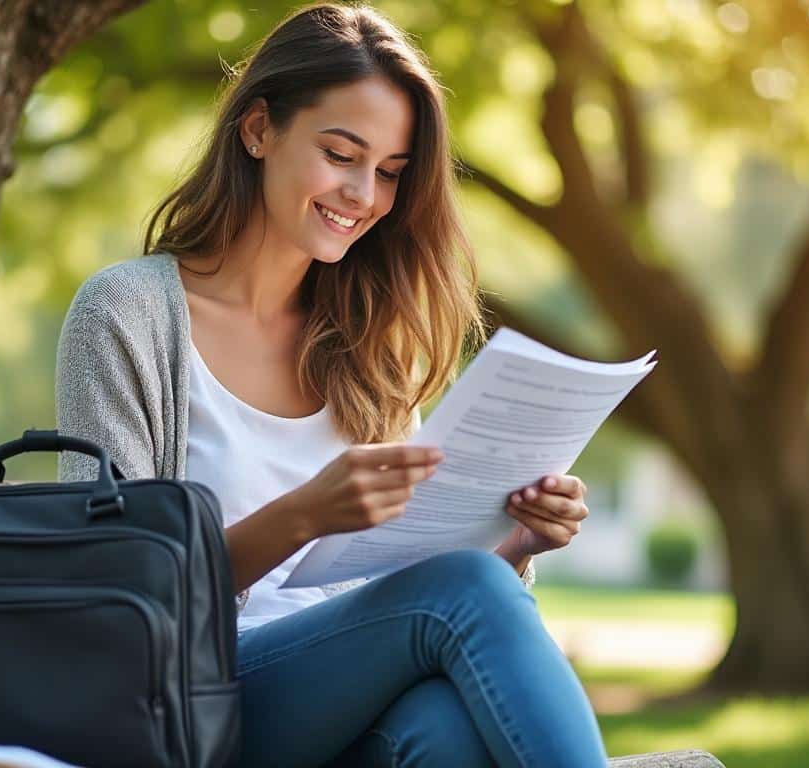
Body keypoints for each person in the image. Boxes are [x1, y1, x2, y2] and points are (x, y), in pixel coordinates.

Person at [55, 4, 606, 766]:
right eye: (342, 154)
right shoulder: (126, 316)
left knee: (448, 728)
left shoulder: (368, 338)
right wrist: (303, 516)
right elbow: (114, 589)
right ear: (258, 130)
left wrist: (517, 540)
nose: (363, 194)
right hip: (188, 703)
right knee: (467, 592)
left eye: (389, 173)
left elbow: (407, 577)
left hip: (342, 711)